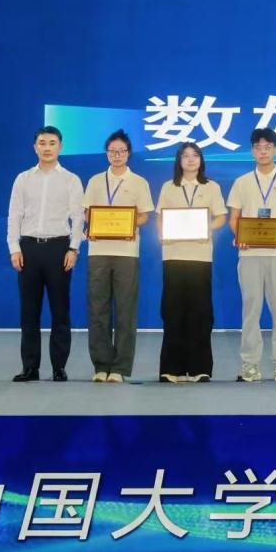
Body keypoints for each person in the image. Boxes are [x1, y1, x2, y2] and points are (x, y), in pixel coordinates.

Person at [6, 125, 84, 383]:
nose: (47, 147)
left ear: (60, 147)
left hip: (59, 249)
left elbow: (78, 218)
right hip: (28, 249)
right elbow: (14, 215)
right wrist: (14, 248)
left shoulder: (71, 179)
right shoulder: (23, 179)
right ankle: (30, 368)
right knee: (29, 312)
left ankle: (59, 367)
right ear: (35, 147)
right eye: (42, 143)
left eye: (52, 143)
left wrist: (74, 248)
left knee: (60, 311)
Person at [228, 128, 276, 382]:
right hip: (249, 254)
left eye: (268, 147)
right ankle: (250, 364)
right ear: (252, 151)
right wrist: (240, 236)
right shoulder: (242, 182)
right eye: (258, 147)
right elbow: (234, 218)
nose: (263, 152)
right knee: (251, 308)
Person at [82, 129, 154, 382]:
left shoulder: (139, 182)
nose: (117, 155)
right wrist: (96, 224)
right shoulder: (95, 181)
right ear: (106, 153)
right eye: (112, 151)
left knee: (125, 310)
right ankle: (101, 366)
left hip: (127, 252)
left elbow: (144, 215)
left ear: (128, 153)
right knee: (97, 309)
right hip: (98, 251)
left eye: (121, 151)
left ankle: (120, 368)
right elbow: (86, 213)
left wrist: (126, 224)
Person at [154, 141, 226, 383]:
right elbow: (160, 217)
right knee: (172, 311)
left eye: (195, 155)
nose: (191, 159)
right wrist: (162, 233)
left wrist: (206, 228)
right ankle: (171, 369)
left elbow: (221, 217)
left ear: (201, 160)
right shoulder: (168, 187)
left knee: (200, 312)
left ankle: (199, 368)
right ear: (179, 160)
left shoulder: (211, 187)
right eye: (186, 155)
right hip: (173, 255)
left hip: (200, 256)